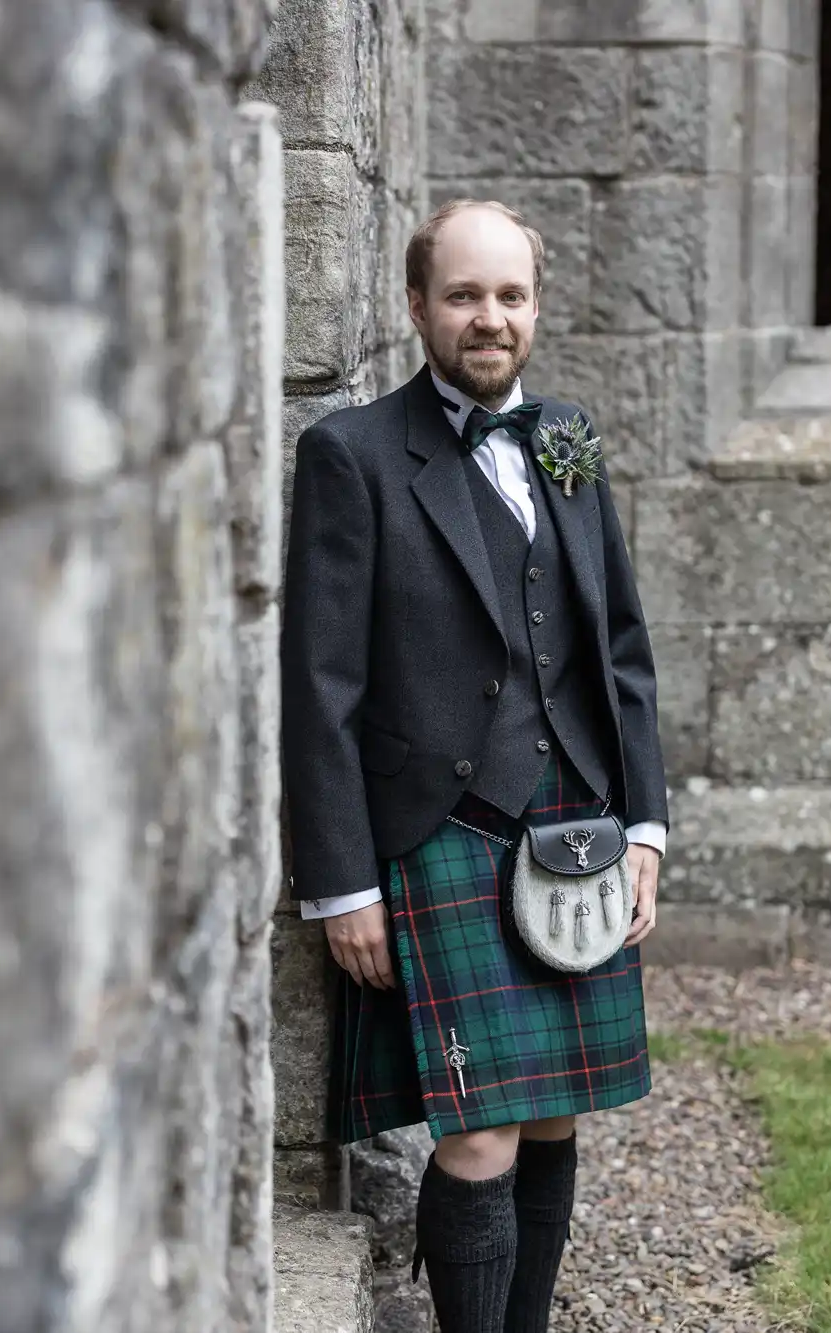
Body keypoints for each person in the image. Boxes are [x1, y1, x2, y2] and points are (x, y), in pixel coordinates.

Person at [281, 198, 669, 1332]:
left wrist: (643, 826)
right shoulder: (349, 455)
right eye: (462, 295)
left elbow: (620, 652)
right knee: (482, 1123)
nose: (487, 318)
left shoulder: (568, 438)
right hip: (442, 827)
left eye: (508, 296)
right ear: (416, 307)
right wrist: (342, 883)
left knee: (555, 1114)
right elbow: (321, 687)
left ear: (534, 308)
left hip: (576, 822)